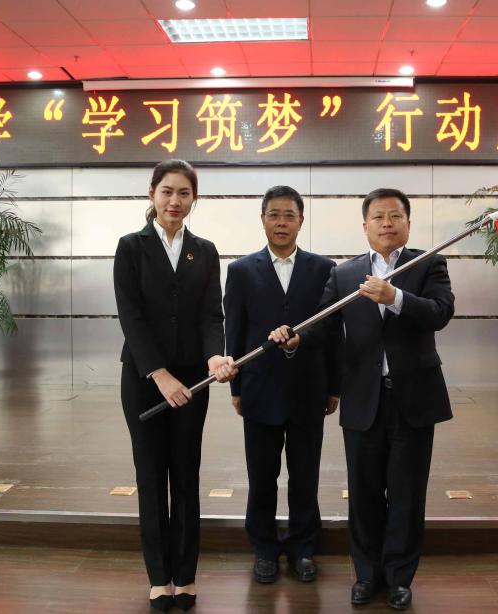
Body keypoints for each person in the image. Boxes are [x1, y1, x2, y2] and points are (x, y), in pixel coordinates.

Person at [270, 188, 454, 611]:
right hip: (363, 399)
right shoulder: (345, 274)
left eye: (395, 216)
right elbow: (323, 324)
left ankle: (400, 578)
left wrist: (395, 297)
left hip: (413, 398)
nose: (387, 224)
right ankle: (367, 575)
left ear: (408, 222)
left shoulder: (428, 263)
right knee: (364, 492)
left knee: (407, 495)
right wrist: (296, 338)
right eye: (378, 217)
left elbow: (440, 312)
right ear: (365, 225)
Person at [113, 159, 237, 612]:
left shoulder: (204, 251)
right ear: (152, 194)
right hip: (144, 379)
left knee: (186, 474)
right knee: (150, 476)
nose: (175, 201)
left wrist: (214, 356)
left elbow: (211, 315)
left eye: (184, 193)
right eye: (167, 191)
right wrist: (160, 375)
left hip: (192, 380)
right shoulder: (131, 247)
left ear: (193, 199)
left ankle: (184, 576)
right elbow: (131, 317)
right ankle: (157, 577)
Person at [223, 186, 341, 585]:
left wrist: (334, 386)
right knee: (262, 476)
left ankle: (303, 549)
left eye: (289, 215)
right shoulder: (241, 271)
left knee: (305, 476)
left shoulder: (324, 269)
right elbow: (235, 332)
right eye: (274, 214)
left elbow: (332, 330)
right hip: (259, 389)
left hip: (309, 388)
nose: (281, 222)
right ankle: (264, 549)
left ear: (301, 221)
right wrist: (236, 389)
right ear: (263, 220)